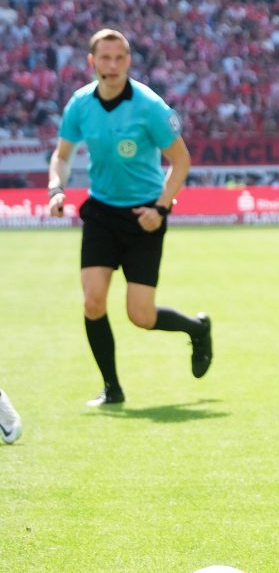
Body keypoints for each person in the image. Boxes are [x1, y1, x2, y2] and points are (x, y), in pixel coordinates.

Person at [48, 29, 213, 407]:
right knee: (93, 302)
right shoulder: (79, 104)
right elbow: (62, 155)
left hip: (144, 216)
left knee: (140, 315)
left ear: (129, 61)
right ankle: (112, 389)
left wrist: (161, 208)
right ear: (92, 63)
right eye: (104, 59)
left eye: (120, 58)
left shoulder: (149, 106)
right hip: (102, 212)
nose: (112, 66)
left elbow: (181, 161)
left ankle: (197, 329)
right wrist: (56, 188)